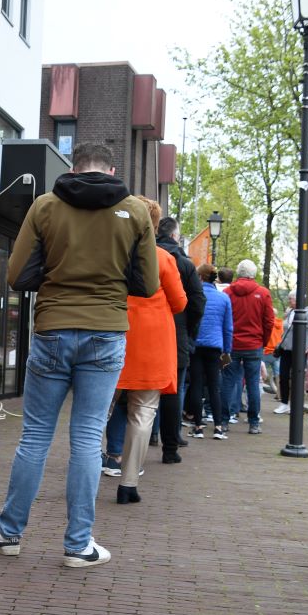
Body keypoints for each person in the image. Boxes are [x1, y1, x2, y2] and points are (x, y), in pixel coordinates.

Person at [0, 142, 159, 569]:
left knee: (35, 436)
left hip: (53, 328)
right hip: (106, 332)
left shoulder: (45, 206)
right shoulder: (134, 212)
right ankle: (79, 545)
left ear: (73, 167)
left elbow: (17, 274)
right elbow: (148, 284)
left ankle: (8, 535)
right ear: (112, 169)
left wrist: (55, 274)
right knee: (87, 439)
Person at [110, 196, 186, 503]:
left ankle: (84, 473)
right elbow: (180, 302)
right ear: (155, 226)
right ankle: (128, 484)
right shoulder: (162, 258)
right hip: (151, 343)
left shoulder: (110, 251)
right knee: (142, 412)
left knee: (96, 411)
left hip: (112, 332)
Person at [155, 217, 205, 463]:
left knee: (136, 390)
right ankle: (170, 448)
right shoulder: (185, 264)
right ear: (175, 237)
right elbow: (197, 302)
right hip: (177, 335)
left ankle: (126, 447)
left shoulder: (142, 255)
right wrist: (189, 329)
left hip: (142, 332)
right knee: (172, 392)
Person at [223, 260, 275, 434]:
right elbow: (269, 321)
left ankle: (223, 421)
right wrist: (263, 341)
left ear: (238, 273)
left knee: (228, 380)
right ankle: (254, 422)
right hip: (254, 345)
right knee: (253, 383)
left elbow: (223, 319)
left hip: (231, 346)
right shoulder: (263, 293)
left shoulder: (228, 292)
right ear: (253, 274)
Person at [189, 264, 232, 441]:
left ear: (199, 277)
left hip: (197, 346)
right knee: (214, 387)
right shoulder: (224, 299)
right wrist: (227, 351)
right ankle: (218, 427)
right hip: (215, 347)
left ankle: (198, 426)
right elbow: (228, 328)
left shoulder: (195, 296)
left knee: (197, 385)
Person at [273, 291, 308, 415]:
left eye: (291, 299)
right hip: (286, 349)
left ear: (298, 299)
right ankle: (284, 403)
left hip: (299, 351)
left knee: (297, 378)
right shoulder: (291, 312)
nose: (289, 301)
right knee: (283, 376)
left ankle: (296, 405)